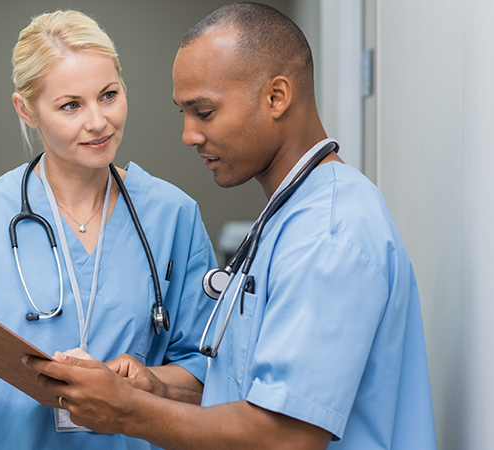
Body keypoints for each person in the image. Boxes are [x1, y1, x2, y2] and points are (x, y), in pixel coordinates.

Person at [24, 3, 437, 449]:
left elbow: (286, 436)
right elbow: (239, 391)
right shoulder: (287, 217)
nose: (189, 135)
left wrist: (127, 411)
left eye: (204, 112)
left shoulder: (329, 232)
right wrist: (152, 388)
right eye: (184, 112)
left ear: (276, 97)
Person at [0, 10, 217, 450]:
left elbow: (203, 377)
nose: (97, 122)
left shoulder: (172, 214)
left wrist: (141, 380)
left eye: (109, 95)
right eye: (71, 105)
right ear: (26, 110)